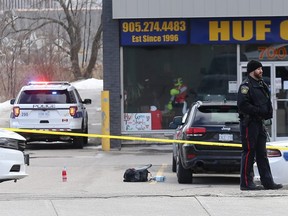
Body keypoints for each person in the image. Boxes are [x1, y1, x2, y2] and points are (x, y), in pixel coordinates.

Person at [237, 60, 283, 190]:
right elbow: (242, 105)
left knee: (262, 153)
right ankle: (246, 183)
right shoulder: (245, 86)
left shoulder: (262, 84)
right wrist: (257, 111)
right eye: (258, 69)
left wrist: (268, 114)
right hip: (249, 123)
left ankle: (268, 182)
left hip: (260, 123)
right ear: (252, 71)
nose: (261, 71)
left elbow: (266, 102)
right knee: (249, 152)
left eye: (261, 68)